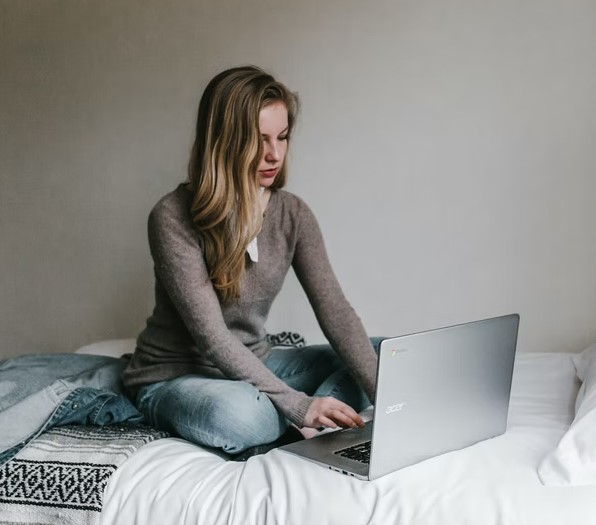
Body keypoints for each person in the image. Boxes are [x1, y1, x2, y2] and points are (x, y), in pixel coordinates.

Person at [122, 65, 378, 458]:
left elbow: (335, 311)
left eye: (283, 137)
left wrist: (387, 396)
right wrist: (298, 404)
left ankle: (320, 422)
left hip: (259, 364)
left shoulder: (293, 214)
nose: (274, 154)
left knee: (383, 354)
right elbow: (212, 337)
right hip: (177, 376)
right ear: (224, 142)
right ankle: (304, 416)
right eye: (259, 140)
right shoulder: (172, 217)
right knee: (242, 417)